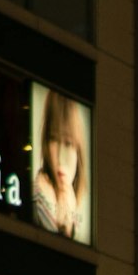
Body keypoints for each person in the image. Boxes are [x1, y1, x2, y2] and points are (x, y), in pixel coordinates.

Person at [32, 87, 88, 239]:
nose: (61, 155)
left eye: (68, 143)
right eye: (54, 139)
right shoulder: (39, 198)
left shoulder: (74, 208)